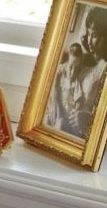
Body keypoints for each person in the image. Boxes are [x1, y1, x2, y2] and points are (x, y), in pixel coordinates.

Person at [45, 8, 107, 140]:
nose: (89, 40)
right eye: (88, 34)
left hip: (82, 133)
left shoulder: (104, 69)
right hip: (61, 117)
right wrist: (55, 98)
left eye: (94, 35)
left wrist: (91, 120)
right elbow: (56, 72)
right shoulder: (82, 57)